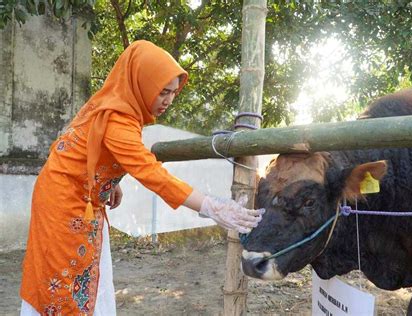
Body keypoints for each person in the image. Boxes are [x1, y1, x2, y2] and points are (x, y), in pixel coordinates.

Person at [19, 40, 265, 316]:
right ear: (142, 82)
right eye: (162, 92)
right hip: (64, 203)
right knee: (63, 278)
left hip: (80, 196)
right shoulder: (119, 118)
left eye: (173, 93)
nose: (168, 100)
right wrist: (211, 206)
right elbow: (150, 171)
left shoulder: (116, 105)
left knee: (85, 273)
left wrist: (111, 182)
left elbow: (94, 147)